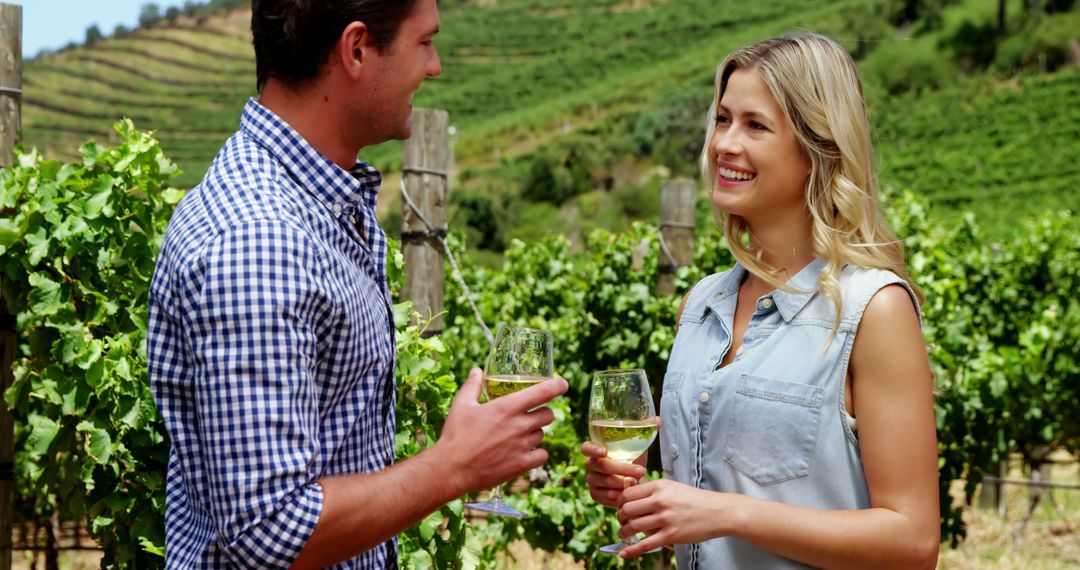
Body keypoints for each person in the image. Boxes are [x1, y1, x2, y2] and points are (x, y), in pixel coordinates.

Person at [146, 0, 567, 568]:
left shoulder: (323, 205)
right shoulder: (260, 240)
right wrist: (455, 464)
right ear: (358, 49)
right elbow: (270, 529)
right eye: (424, 42)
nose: (436, 65)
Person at [582, 33, 940, 569]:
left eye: (756, 125)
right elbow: (707, 501)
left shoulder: (874, 309)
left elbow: (912, 543)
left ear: (819, 149)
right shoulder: (700, 305)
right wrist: (642, 496)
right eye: (723, 119)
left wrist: (725, 512)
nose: (724, 142)